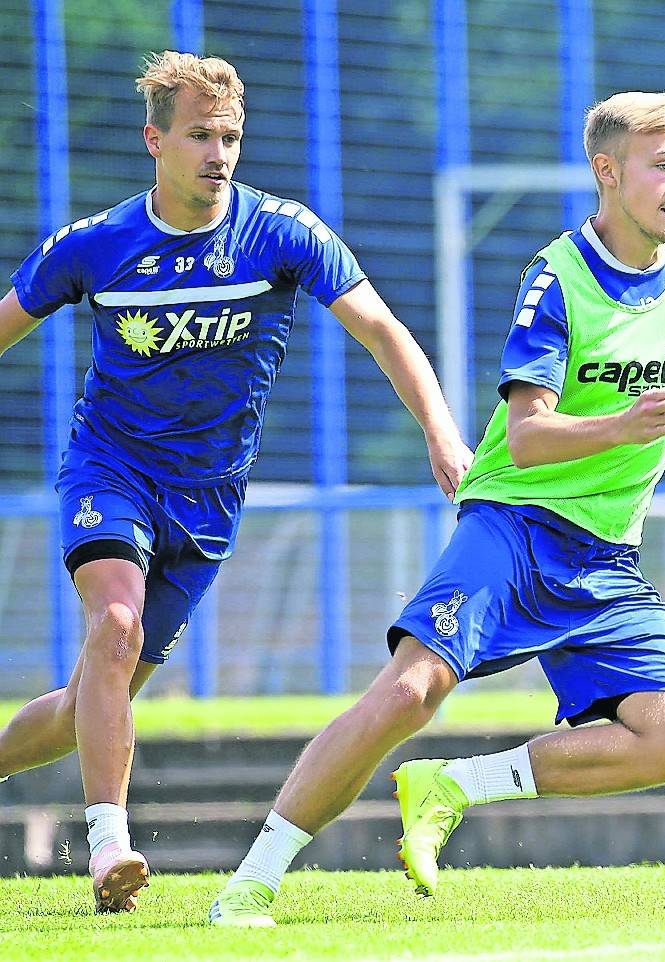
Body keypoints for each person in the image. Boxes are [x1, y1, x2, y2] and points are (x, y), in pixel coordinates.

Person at [208, 90, 665, 927]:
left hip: (606, 555)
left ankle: (453, 785)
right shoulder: (555, 279)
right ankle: (252, 881)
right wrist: (626, 426)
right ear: (609, 171)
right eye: (664, 166)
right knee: (413, 690)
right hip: (515, 525)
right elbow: (526, 439)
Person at [0, 51, 472, 913]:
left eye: (231, 137)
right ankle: (109, 847)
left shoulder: (280, 233)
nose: (218, 153)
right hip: (111, 469)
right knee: (113, 625)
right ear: (155, 140)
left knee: (87, 701)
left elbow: (383, 330)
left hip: (209, 502)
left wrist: (442, 435)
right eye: (199, 136)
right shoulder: (96, 245)